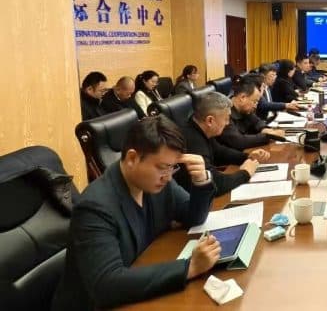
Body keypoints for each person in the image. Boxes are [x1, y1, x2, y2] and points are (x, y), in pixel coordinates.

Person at [51, 115, 218, 310]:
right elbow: (106, 284)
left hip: (141, 288)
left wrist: (201, 181)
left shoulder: (158, 183)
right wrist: (190, 267)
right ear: (132, 158)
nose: (168, 177)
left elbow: (193, 217)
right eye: (163, 167)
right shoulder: (95, 206)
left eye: (173, 167)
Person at [177, 92, 270, 197]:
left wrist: (247, 157)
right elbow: (215, 184)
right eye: (226, 118)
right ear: (210, 120)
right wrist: (245, 173)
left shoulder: (199, 127)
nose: (227, 123)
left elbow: (219, 152)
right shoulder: (192, 141)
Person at [218, 75, 285, 150]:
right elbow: (238, 141)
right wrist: (267, 136)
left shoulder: (245, 109)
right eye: (255, 101)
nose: (255, 106)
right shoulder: (223, 112)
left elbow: (257, 121)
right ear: (243, 98)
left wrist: (264, 129)